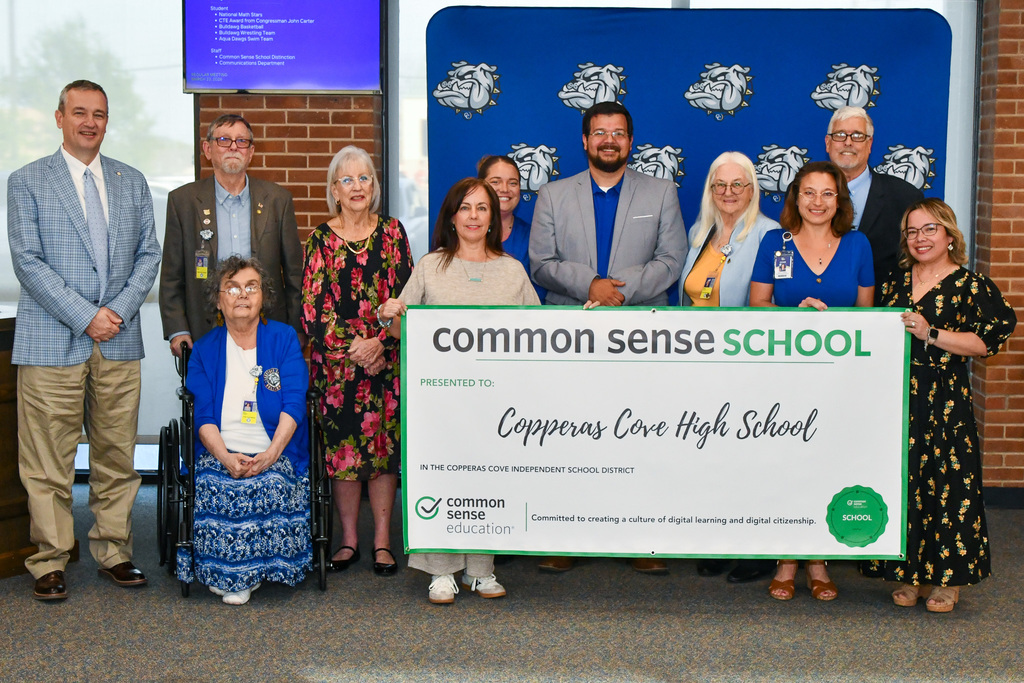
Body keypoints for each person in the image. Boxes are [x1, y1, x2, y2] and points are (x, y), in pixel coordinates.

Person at [7, 80, 161, 600]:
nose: (89, 122)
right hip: (52, 341)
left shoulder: (131, 181)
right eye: (79, 112)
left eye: (98, 113)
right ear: (59, 118)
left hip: (117, 340)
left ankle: (114, 550)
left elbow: (149, 256)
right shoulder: (27, 181)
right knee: (48, 460)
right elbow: (27, 262)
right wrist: (85, 315)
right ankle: (49, 559)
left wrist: (113, 312)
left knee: (116, 455)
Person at [529, 100, 687, 574]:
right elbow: (541, 262)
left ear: (631, 141)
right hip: (570, 333)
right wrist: (589, 285)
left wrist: (617, 292)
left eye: (618, 133)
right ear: (584, 140)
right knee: (572, 434)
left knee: (638, 432)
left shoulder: (660, 192)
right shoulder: (554, 195)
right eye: (600, 132)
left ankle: (640, 535)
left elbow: (671, 260)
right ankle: (567, 534)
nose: (609, 141)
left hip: (639, 332)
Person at [379, 178, 540, 604]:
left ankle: (480, 569)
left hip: (496, 403)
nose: (473, 216)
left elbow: (539, 333)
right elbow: (400, 328)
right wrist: (387, 314)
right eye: (465, 208)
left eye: (482, 208)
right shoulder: (431, 266)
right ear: (452, 216)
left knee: (488, 478)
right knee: (442, 479)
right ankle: (441, 571)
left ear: (494, 218)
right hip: (440, 401)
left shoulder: (512, 270)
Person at [877, 199, 1016, 613]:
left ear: (950, 235)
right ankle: (909, 574)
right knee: (907, 483)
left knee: (949, 486)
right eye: (912, 231)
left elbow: (987, 342)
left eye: (929, 230)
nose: (920, 239)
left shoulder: (972, 285)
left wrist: (931, 332)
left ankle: (947, 581)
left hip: (945, 400)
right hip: (898, 396)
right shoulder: (894, 281)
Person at [749, 160, 874, 601]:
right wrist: (792, 317)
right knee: (786, 463)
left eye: (827, 194)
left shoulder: (858, 246)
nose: (817, 202)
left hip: (838, 382)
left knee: (828, 463)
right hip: (784, 378)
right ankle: (786, 556)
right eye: (808, 193)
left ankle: (818, 559)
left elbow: (866, 320)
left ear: (840, 200)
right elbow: (758, 304)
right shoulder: (773, 241)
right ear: (795, 198)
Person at [302, 146, 413, 576]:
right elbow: (312, 310)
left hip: (385, 364)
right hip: (337, 369)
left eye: (364, 178)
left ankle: (383, 542)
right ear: (334, 190)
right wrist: (358, 349)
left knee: (383, 455)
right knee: (344, 455)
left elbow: (407, 298)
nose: (357, 187)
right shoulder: (319, 239)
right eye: (347, 180)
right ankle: (348, 540)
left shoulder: (393, 233)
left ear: (375, 187)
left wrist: (382, 344)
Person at [178, 256, 311, 605]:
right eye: (232, 288)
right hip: (220, 448)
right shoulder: (205, 349)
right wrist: (224, 457)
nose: (242, 295)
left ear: (263, 297)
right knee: (213, 481)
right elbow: (203, 416)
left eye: (251, 287)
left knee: (269, 481)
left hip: (274, 447)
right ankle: (236, 575)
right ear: (219, 300)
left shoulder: (282, 339)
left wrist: (271, 454)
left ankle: (235, 576)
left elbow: (294, 402)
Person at [680, 151, 778, 583]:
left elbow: (774, 299)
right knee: (712, 459)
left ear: (753, 189)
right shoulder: (699, 232)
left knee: (751, 459)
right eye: (720, 185)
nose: (729, 193)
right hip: (701, 368)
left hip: (749, 366)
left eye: (739, 185)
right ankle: (719, 540)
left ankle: (757, 550)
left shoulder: (771, 234)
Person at [160, 113, 304, 357]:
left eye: (242, 141)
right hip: (204, 331)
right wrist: (177, 329)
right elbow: (172, 276)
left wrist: (298, 329)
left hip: (268, 328)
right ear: (207, 149)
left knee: (268, 393)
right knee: (212, 395)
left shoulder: (278, 200)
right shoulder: (182, 201)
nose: (234, 147)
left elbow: (294, 273)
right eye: (224, 140)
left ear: (251, 152)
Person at [825, 106, 923, 296]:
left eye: (857, 136)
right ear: (828, 143)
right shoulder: (802, 194)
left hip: (882, 314)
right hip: (816, 312)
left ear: (870, 145)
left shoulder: (905, 197)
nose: (848, 142)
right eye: (840, 135)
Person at [477, 155, 546, 301]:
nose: (504, 189)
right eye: (495, 182)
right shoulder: (465, 233)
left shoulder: (534, 236)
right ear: (480, 186)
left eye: (513, 183)